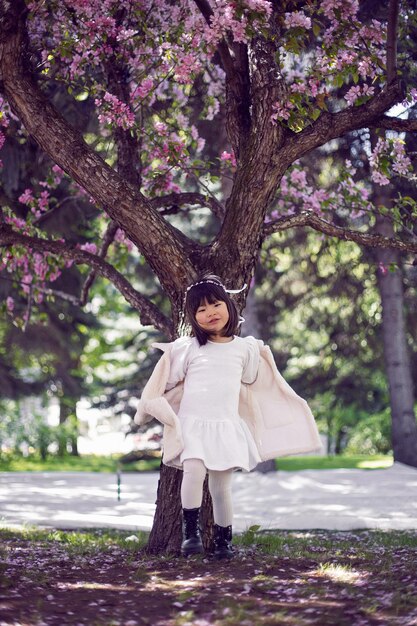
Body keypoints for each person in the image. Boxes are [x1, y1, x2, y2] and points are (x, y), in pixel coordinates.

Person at [135, 275, 321, 559]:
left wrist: (258, 353)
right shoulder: (190, 348)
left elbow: (249, 378)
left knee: (221, 487)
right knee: (194, 472)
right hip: (193, 424)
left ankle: (223, 541)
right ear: (194, 318)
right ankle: (191, 535)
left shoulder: (243, 348)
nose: (210, 313)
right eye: (200, 310)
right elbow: (169, 381)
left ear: (229, 307)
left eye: (215, 304)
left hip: (225, 425)